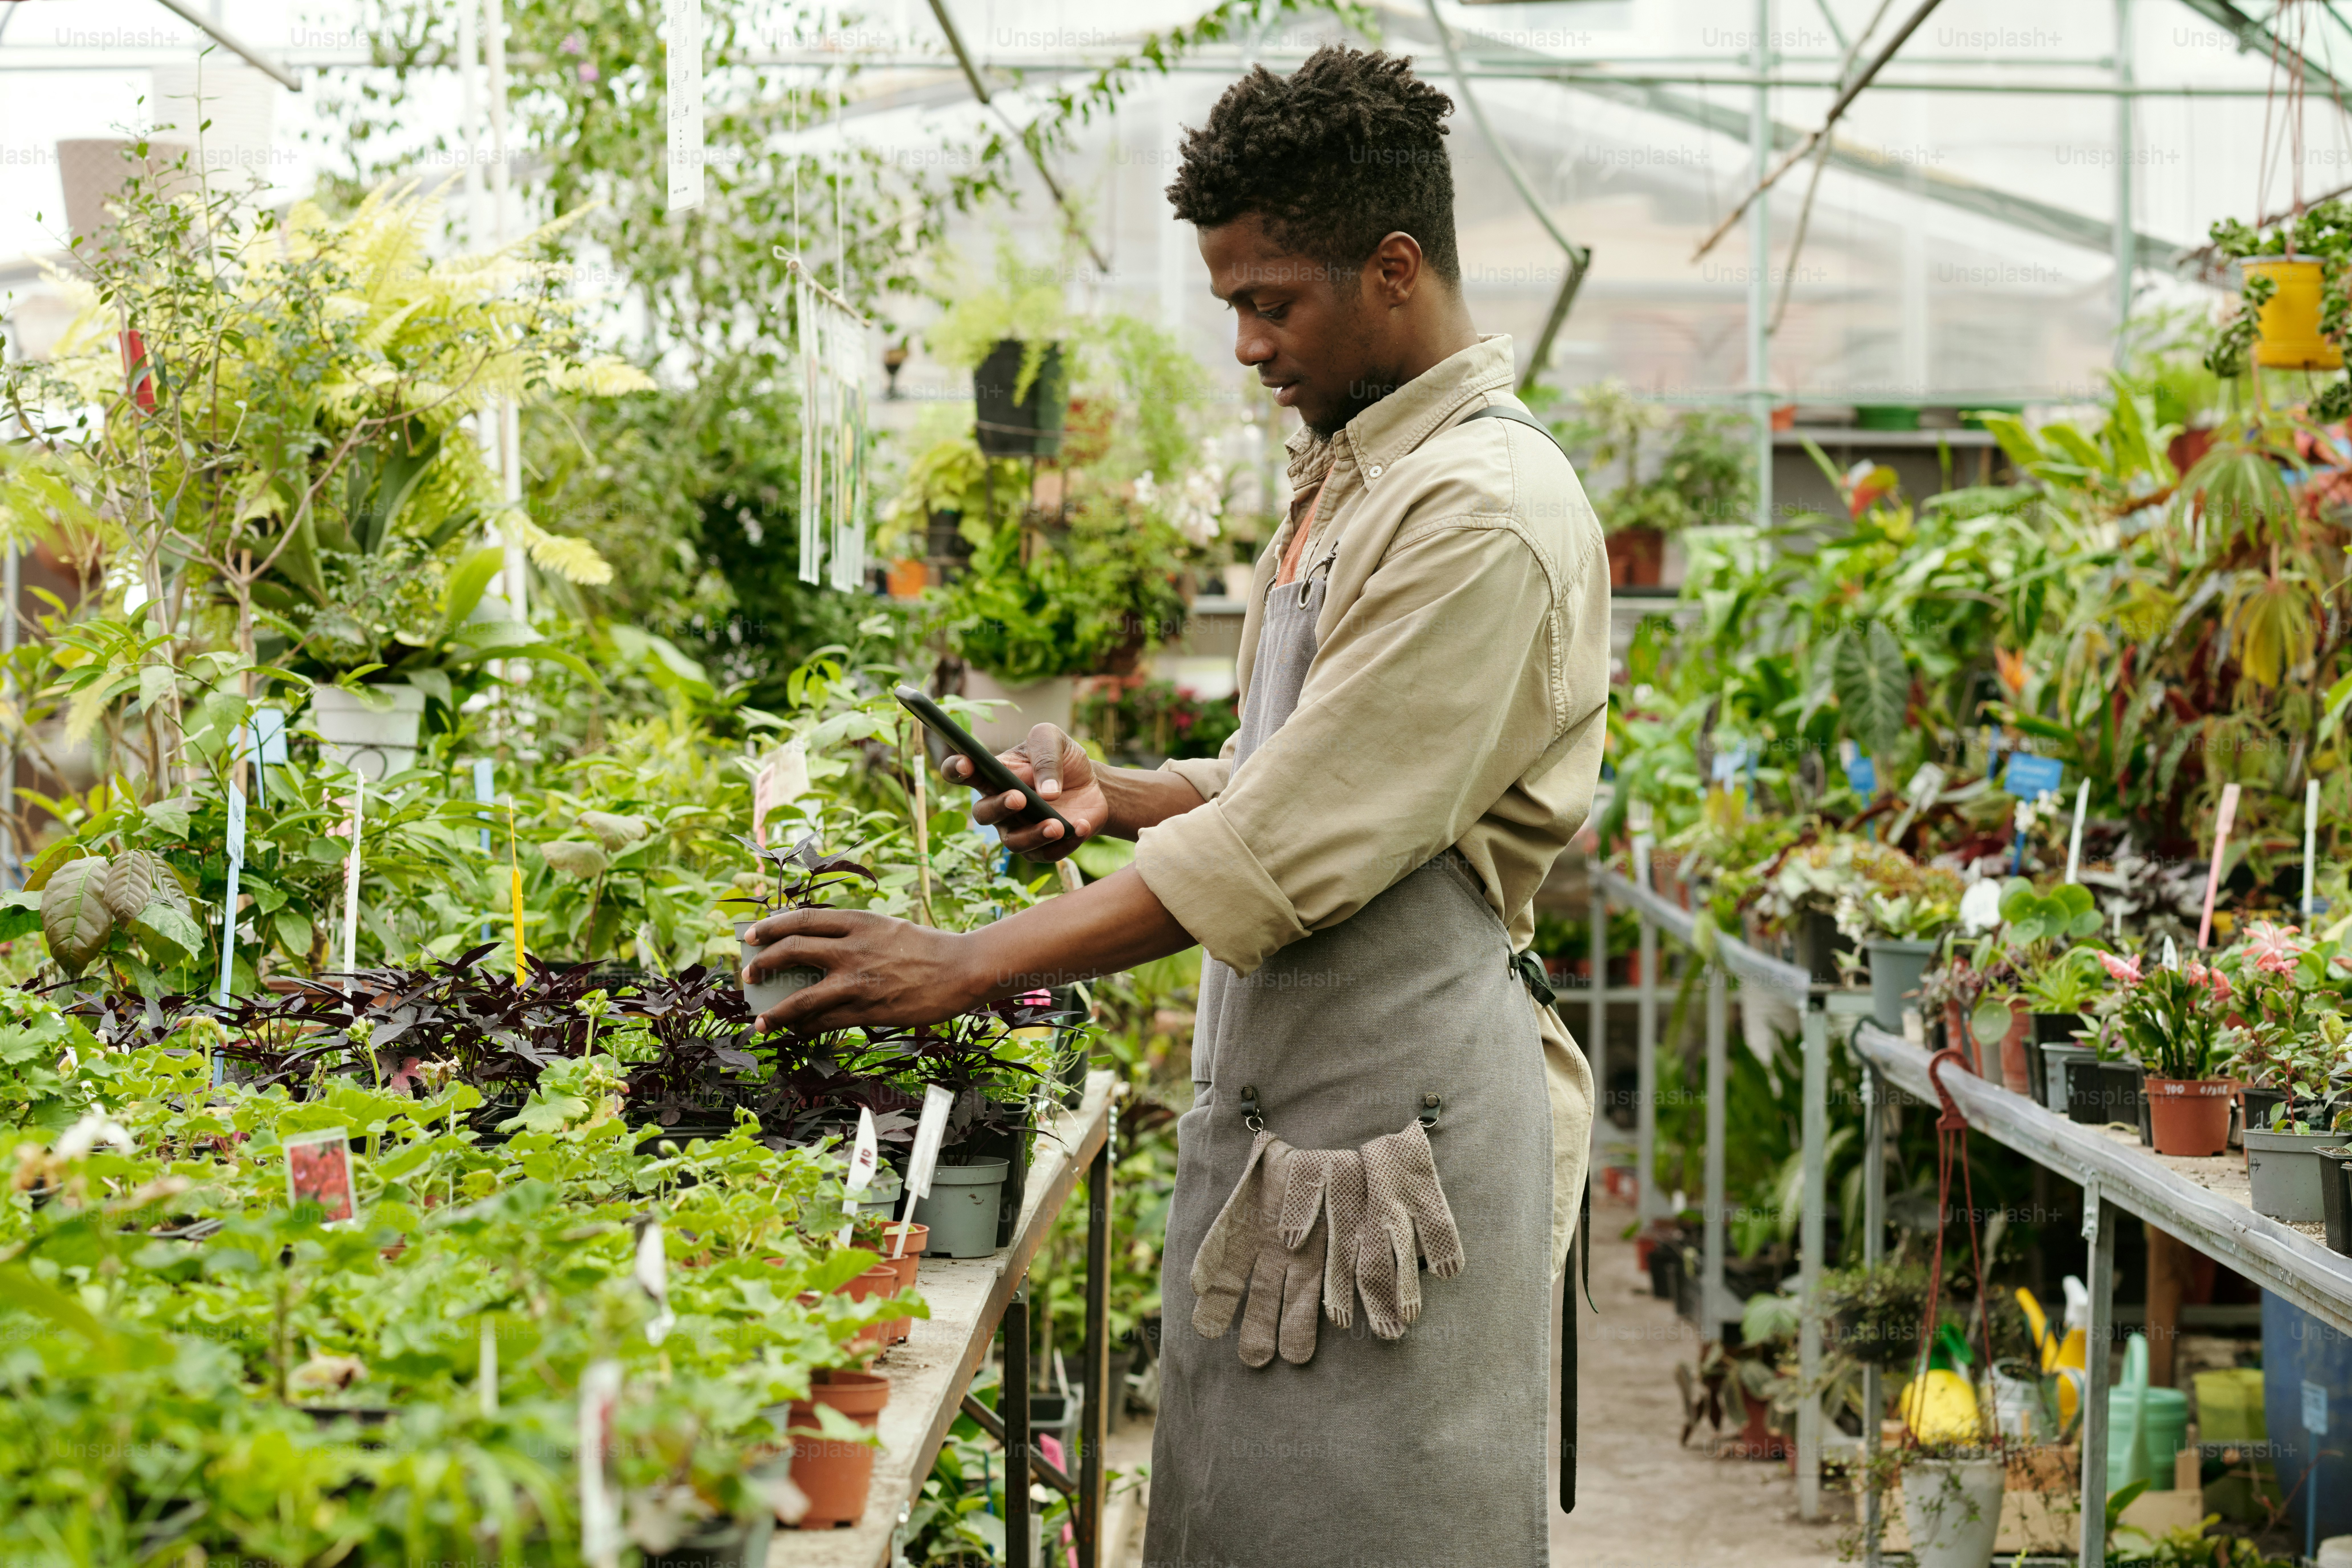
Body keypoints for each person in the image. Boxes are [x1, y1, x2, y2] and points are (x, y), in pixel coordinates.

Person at [745, 44, 1608, 1566]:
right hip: (1306, 1108)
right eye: (1232, 304)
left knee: (1379, 1528)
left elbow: (1290, 840)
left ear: (1392, 269)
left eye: (1269, 302)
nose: (1247, 345)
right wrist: (1128, 795)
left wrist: (961, 965)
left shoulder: (1479, 512)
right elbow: (1316, 764)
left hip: (1399, 1128)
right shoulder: (1362, 474)